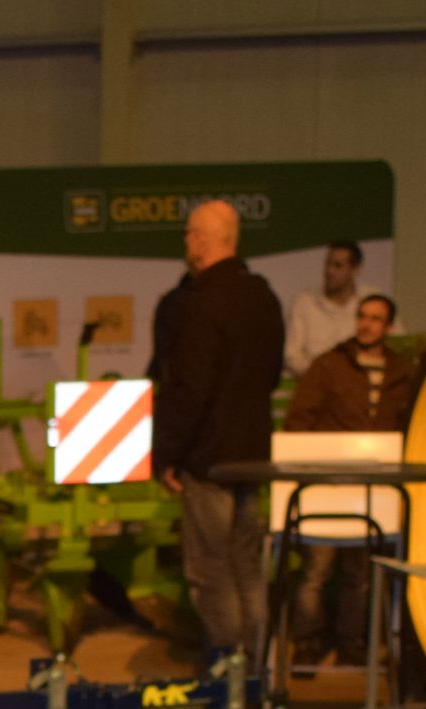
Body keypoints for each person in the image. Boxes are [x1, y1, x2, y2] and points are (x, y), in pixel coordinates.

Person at [151, 198, 286, 661]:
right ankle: (256, 669)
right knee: (247, 566)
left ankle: (228, 672)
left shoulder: (198, 304)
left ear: (202, 241)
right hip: (253, 454)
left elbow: (190, 389)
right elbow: (271, 374)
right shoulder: (264, 297)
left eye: (189, 233)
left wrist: (166, 455)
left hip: (209, 459)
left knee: (211, 571)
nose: (186, 241)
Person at [281, 291, 414, 662]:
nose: (366, 324)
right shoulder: (330, 365)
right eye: (362, 316)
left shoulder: (401, 372)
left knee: (360, 572)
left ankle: (351, 641)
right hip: (327, 482)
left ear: (389, 327)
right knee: (317, 568)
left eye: (375, 319)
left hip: (375, 486)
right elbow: (299, 420)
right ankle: (308, 641)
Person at [284, 239, 365, 379]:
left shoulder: (369, 304)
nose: (329, 271)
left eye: (338, 265)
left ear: (355, 269)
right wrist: (323, 376)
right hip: (311, 384)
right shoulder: (304, 302)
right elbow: (291, 355)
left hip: (356, 385)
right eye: (328, 264)